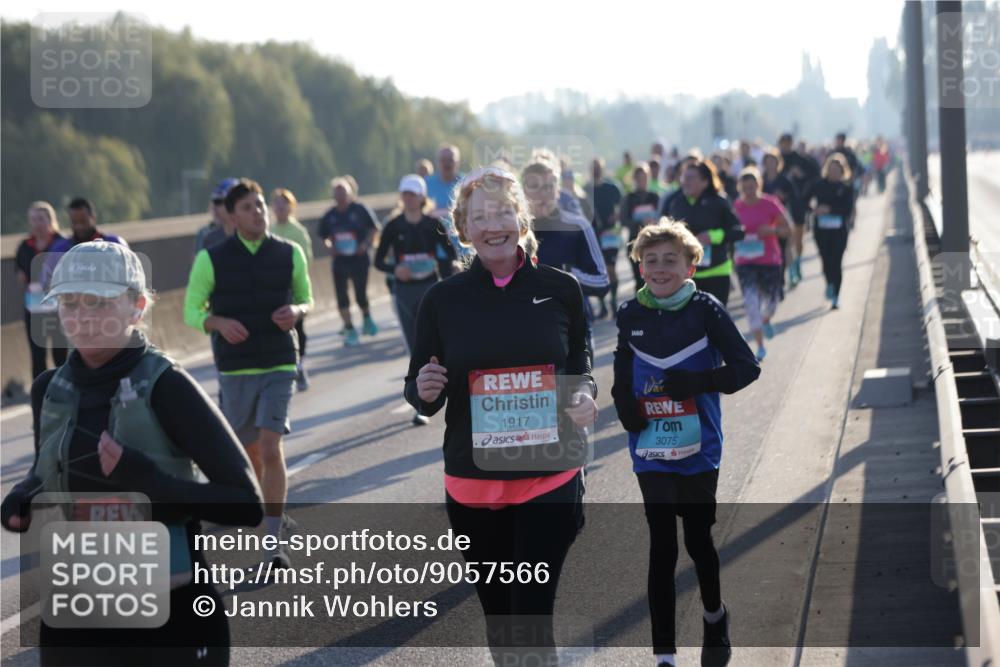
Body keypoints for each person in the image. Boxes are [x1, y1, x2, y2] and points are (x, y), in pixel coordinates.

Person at [2, 241, 264, 666]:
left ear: (137, 307)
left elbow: (246, 504)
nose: (82, 316)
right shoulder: (48, 390)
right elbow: (45, 473)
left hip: (173, 614)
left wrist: (148, 481)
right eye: (69, 302)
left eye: (99, 302)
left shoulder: (167, 386)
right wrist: (21, 498)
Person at [404, 166, 596, 665]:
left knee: (530, 617)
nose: (494, 224)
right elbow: (421, 390)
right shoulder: (442, 300)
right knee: (501, 621)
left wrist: (584, 396)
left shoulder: (561, 290)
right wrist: (424, 391)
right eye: (480, 216)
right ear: (463, 229)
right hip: (474, 484)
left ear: (522, 220)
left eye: (503, 212)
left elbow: (579, 364)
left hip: (548, 476)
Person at [612, 220, 760, 667]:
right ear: (639, 266)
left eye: (669, 260)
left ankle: (714, 619)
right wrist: (625, 408)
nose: (659, 269)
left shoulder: (706, 309)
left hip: (700, 449)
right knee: (662, 545)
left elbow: (746, 368)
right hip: (651, 447)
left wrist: (698, 381)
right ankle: (664, 656)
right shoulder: (629, 313)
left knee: (697, 541)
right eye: (650, 260)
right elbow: (621, 373)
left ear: (691, 265)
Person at [184, 178, 312, 567]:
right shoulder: (211, 258)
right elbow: (191, 312)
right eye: (248, 208)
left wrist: (297, 312)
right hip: (236, 367)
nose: (257, 212)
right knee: (250, 450)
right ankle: (270, 509)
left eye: (260, 205)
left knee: (271, 446)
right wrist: (218, 323)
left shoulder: (290, 252)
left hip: (279, 360)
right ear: (231, 215)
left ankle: (271, 541)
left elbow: (306, 298)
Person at [374, 174, 455, 426]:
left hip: (429, 289)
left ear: (422, 197)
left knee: (434, 343)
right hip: (404, 292)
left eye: (413, 194)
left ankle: (445, 388)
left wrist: (442, 271)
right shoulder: (393, 226)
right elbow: (378, 260)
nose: (409, 198)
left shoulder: (433, 224)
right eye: (405, 194)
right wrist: (394, 269)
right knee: (413, 347)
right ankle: (421, 404)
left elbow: (449, 254)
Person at [522, 152, 610, 357]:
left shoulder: (578, 225)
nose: (542, 194)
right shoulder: (512, 231)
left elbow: (602, 282)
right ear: (522, 192)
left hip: (571, 332)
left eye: (548, 186)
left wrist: (564, 274)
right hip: (524, 334)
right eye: (534, 186)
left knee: (572, 389)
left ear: (558, 191)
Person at [663, 160, 744, 306]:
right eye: (684, 178)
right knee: (691, 325)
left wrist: (713, 237)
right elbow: (664, 231)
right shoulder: (675, 202)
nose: (685, 182)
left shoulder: (719, 202)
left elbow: (738, 231)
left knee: (715, 323)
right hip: (686, 275)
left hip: (717, 272)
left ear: (705, 182)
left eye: (691, 178)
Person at [733, 167, 792, 361]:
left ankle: (766, 318)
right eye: (745, 187)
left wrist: (772, 231)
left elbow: (787, 229)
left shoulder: (770, 203)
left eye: (753, 186)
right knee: (751, 303)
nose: (749, 190)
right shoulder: (736, 207)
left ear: (759, 185)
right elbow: (728, 232)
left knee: (772, 302)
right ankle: (759, 346)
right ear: (740, 188)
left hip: (769, 260)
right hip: (745, 262)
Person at [318, 176, 379, 346]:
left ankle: (366, 318)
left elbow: (374, 229)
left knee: (360, 294)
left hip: (359, 259)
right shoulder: (330, 216)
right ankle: (349, 328)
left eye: (343, 192)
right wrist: (330, 247)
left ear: (350, 193)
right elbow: (324, 237)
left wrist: (366, 244)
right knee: (342, 297)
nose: (340, 196)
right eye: (337, 193)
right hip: (340, 261)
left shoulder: (360, 210)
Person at [15, 201, 68, 380]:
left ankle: (64, 390)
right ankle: (40, 394)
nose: (37, 223)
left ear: (50, 220)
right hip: (35, 307)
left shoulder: (62, 243)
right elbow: (21, 275)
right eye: (33, 219)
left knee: (60, 354)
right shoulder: (25, 246)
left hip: (59, 306)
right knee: (37, 356)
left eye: (41, 219)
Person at [270, 188, 314, 391]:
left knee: (299, 331)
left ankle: (300, 365)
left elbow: (307, 262)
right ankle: (285, 370)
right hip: (273, 292)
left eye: (284, 204)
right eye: (277, 204)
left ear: (291, 207)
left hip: (294, 290)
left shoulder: (298, 232)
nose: (280, 208)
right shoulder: (268, 231)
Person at [804, 154, 855, 310]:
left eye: (837, 170)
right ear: (827, 170)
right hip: (821, 230)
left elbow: (848, 210)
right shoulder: (818, 185)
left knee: (836, 261)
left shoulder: (846, 188)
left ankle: (836, 297)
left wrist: (829, 209)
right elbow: (804, 200)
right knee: (826, 261)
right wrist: (813, 210)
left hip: (839, 230)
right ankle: (829, 284)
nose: (833, 173)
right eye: (831, 170)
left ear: (842, 172)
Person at [585, 158, 624, 316]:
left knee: (611, 268)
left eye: (598, 168)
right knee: (598, 271)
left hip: (610, 234)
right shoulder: (585, 190)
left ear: (603, 169)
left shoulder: (612, 188)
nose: (596, 171)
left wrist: (616, 215)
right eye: (593, 168)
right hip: (593, 235)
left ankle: (613, 301)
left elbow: (622, 206)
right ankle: (602, 305)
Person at [761, 149, 804, 287]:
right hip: (767, 219)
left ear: (778, 163)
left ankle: (791, 272)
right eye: (767, 162)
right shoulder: (761, 180)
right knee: (771, 246)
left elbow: (794, 197)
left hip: (782, 217)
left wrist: (783, 196)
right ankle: (776, 275)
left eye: (773, 162)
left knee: (785, 246)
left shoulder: (784, 179)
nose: (770, 165)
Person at [424, 144, 467, 272]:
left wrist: (440, 212)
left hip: (464, 248)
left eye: (451, 159)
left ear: (458, 162)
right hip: (436, 251)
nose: (447, 163)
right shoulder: (427, 184)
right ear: (437, 162)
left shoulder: (466, 182)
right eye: (443, 160)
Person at [623, 163, 662, 292]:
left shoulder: (654, 197)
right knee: (639, 279)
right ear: (634, 180)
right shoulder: (629, 198)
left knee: (653, 279)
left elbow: (663, 217)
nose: (642, 181)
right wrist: (640, 223)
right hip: (635, 242)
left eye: (644, 178)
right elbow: (624, 220)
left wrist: (654, 222)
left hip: (653, 242)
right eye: (639, 178)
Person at [194, 178, 239, 254]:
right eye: (214, 202)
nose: (215, 208)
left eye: (220, 202)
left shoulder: (253, 233)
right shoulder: (208, 237)